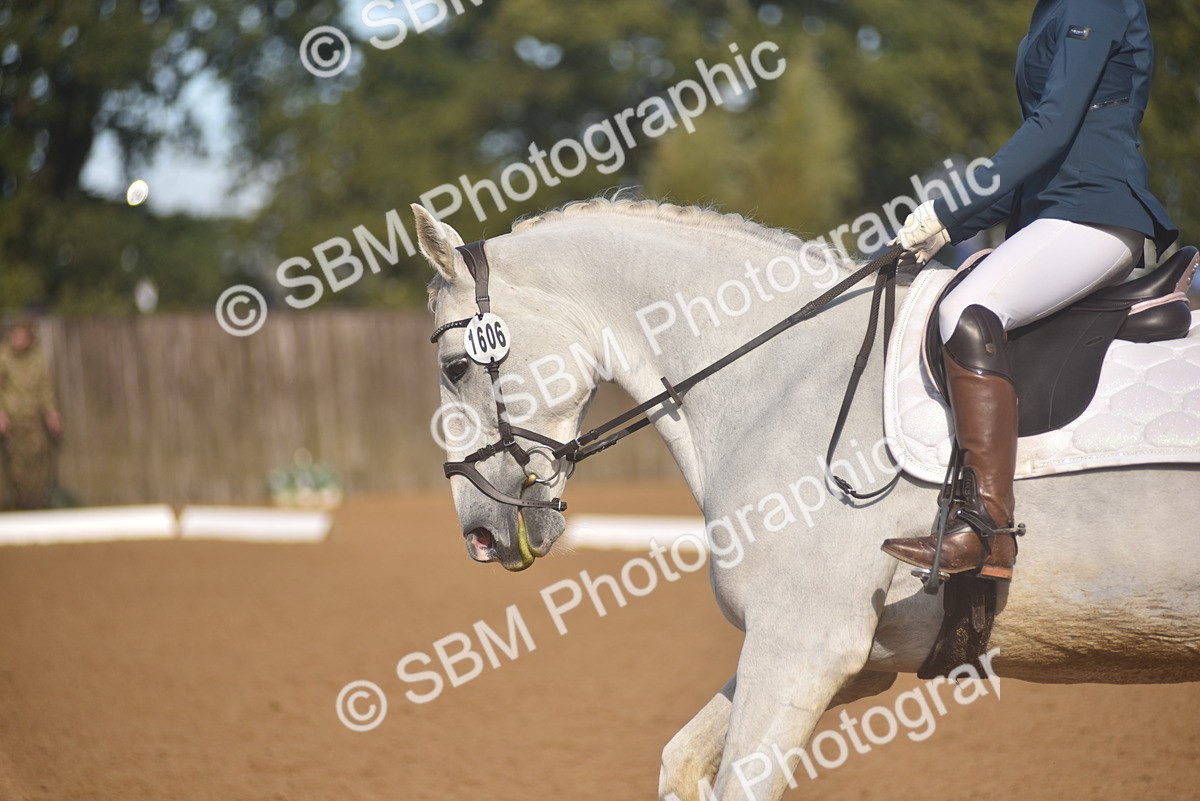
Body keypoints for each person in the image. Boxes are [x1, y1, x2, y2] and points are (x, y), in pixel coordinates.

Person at [880, 0, 1178, 581]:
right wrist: (930, 234)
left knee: (969, 310)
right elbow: (1035, 164)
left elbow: (1052, 128)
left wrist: (946, 211)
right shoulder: (1055, 9)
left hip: (1097, 212)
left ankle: (988, 527)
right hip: (1056, 212)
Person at [0, 319, 63, 510]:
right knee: (16, 467)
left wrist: (51, 412)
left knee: (38, 464)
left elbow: (45, 387)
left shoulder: (36, 358)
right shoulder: (3, 357)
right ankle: (20, 505)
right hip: (13, 422)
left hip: (34, 421)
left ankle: (36, 505)